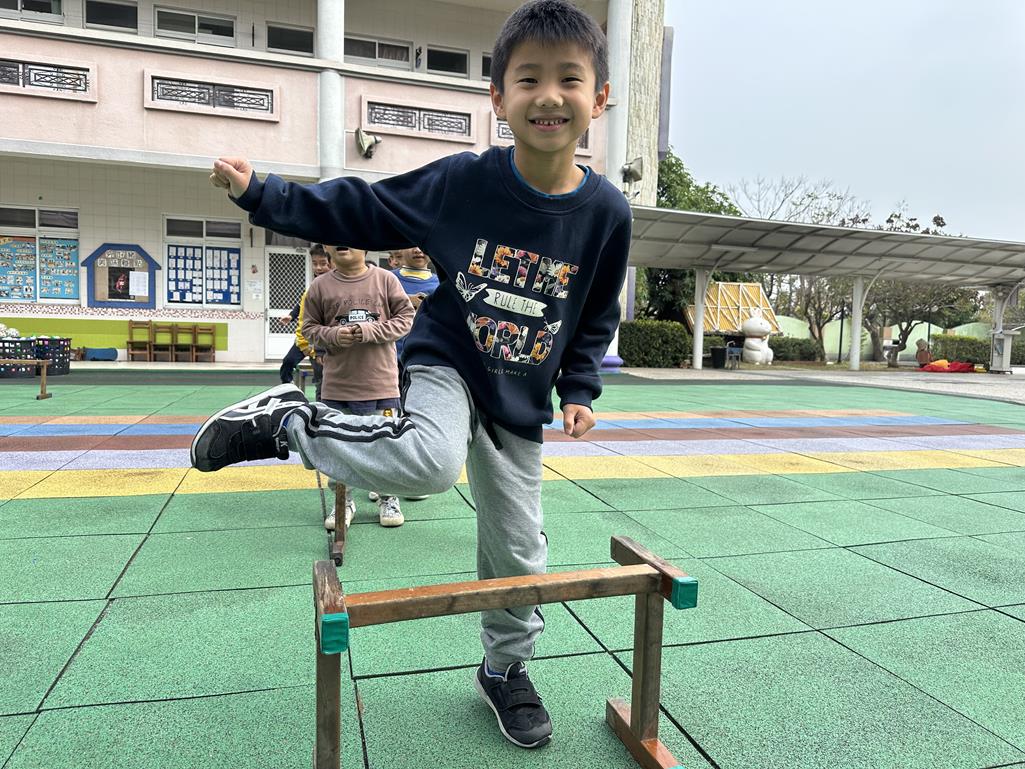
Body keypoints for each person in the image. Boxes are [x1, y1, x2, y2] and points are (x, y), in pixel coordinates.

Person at [194, 0, 626, 750]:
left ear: (600, 98)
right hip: (449, 361)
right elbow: (364, 208)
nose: (548, 96)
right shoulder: (463, 183)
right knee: (428, 464)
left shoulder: (606, 213)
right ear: (498, 99)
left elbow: (594, 310)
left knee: (520, 552)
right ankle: (289, 423)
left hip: (520, 397)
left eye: (569, 79)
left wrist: (580, 388)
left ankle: (504, 670)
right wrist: (265, 192)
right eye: (528, 80)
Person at [302, 245, 414, 528]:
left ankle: (388, 496)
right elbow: (309, 329)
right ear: (327, 246)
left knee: (386, 444)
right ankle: (344, 500)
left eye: (350, 236)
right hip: (337, 387)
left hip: (381, 384)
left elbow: (406, 319)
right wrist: (333, 335)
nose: (342, 241)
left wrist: (369, 330)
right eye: (334, 237)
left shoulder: (386, 279)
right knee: (339, 447)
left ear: (364, 244)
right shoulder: (320, 286)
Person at [278, 244, 330, 386]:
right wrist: (291, 316)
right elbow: (302, 304)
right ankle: (288, 387)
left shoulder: (331, 288)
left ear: (331, 263)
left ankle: (322, 394)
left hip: (317, 341)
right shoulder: (313, 286)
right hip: (303, 338)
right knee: (288, 362)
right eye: (315, 263)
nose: (318, 268)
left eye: (323, 263)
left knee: (321, 377)